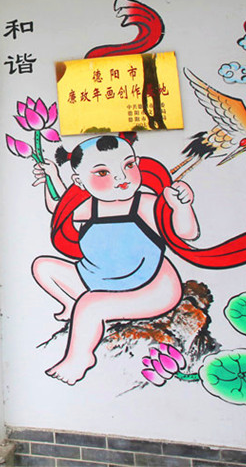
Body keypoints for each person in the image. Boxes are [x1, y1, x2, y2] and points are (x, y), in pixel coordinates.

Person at [31, 133, 198, 385]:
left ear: (137, 163)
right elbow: (58, 206)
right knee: (43, 267)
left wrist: (182, 207)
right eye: (102, 173)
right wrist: (52, 177)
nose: (121, 177)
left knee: (90, 306)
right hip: (100, 280)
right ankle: (72, 305)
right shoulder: (91, 206)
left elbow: (186, 233)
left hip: (151, 288)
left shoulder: (146, 204)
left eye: (128, 166)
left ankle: (79, 359)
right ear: (79, 181)